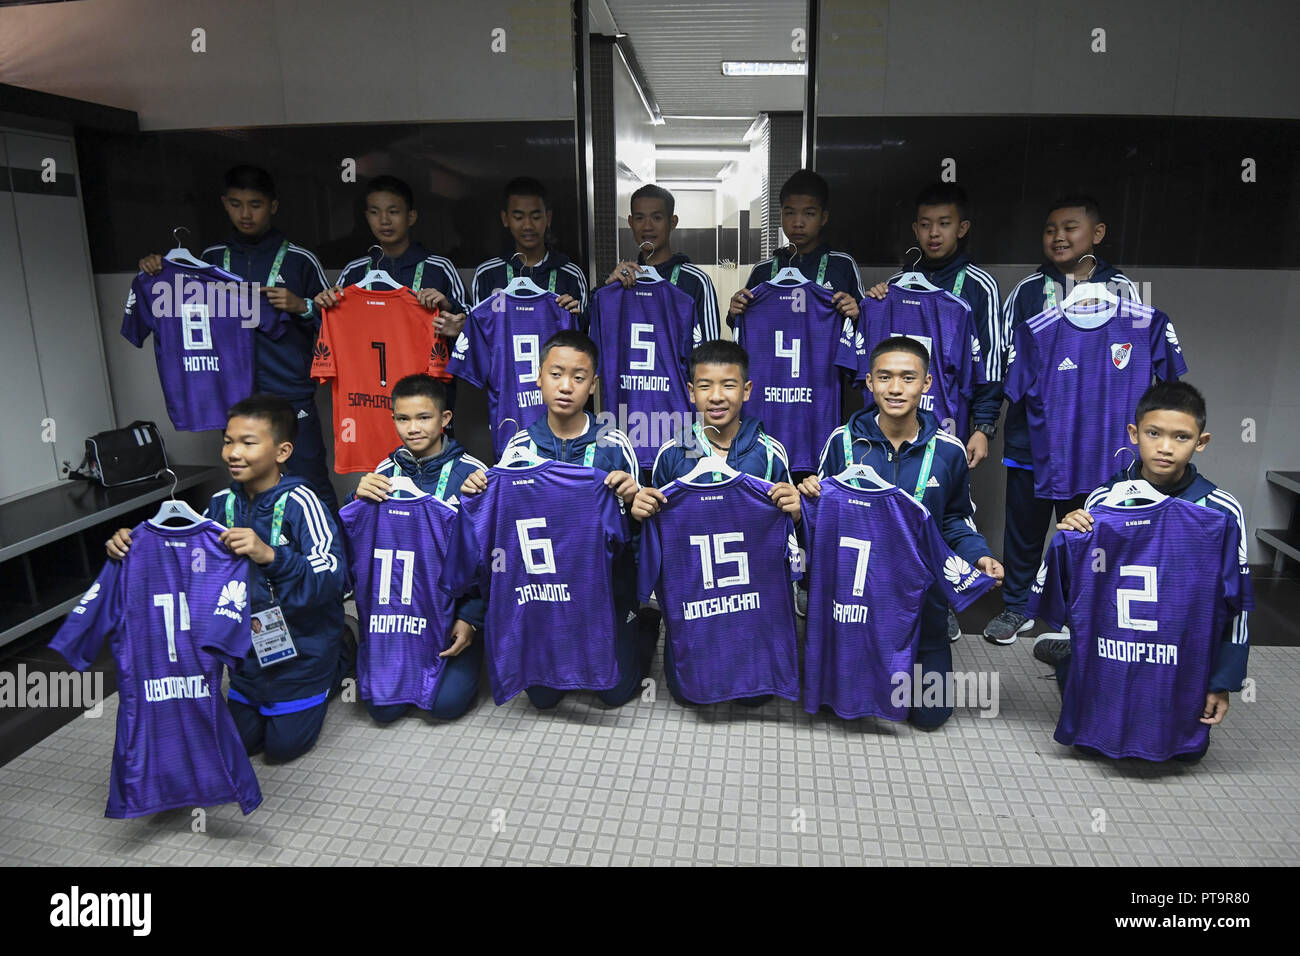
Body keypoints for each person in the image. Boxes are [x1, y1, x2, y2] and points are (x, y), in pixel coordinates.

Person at [106, 394, 349, 761]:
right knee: (235, 743)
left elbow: (334, 577)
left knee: (282, 749)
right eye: (228, 441)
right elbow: (183, 560)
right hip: (247, 652)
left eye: (248, 442)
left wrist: (270, 555)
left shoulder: (303, 501)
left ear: (282, 451)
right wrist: (132, 548)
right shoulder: (221, 504)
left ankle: (343, 653)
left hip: (305, 649)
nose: (234, 452)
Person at [799, 336, 1004, 729]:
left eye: (908, 378)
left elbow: (955, 520)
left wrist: (979, 554)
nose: (895, 388)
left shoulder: (948, 451)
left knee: (929, 714)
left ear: (926, 383)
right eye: (885, 377)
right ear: (870, 382)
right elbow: (823, 518)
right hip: (855, 596)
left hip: (919, 596)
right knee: (837, 703)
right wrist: (810, 495)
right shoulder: (841, 442)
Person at [1038, 381, 1250, 761]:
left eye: (1181, 436)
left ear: (1201, 442)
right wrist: (1069, 536)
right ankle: (1068, 654)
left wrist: (1222, 682)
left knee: (1183, 752)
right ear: (1134, 434)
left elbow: (1238, 604)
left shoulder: (1219, 511)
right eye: (1154, 433)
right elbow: (1083, 588)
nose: (1166, 447)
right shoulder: (1103, 500)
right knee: (1092, 741)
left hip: (1179, 645)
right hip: (1114, 640)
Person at [980, 194, 1143, 645]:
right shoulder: (1026, 293)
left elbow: (1140, 372)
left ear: (1098, 233)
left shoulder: (1125, 291)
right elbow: (999, 365)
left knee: (1087, 533)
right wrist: (986, 424)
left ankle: (1081, 615)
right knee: (1024, 531)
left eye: (1070, 227)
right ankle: (1016, 608)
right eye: (1050, 229)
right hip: (1032, 441)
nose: (1058, 237)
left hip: (1098, 445)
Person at [459, 330, 650, 709]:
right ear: (538, 378)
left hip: (604, 589)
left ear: (593, 385)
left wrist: (633, 500)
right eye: (556, 374)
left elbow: (636, 534)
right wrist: (476, 492)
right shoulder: (518, 448)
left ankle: (643, 625)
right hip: (543, 588)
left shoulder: (614, 444)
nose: (566, 386)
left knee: (615, 692)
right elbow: (502, 531)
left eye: (579, 378)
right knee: (543, 695)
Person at [137, 166, 336, 511]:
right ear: (224, 204)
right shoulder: (210, 260)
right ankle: (264, 561)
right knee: (250, 484)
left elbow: (336, 325)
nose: (246, 214)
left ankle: (331, 563)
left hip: (289, 390)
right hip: (233, 393)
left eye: (255, 204)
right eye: (236, 203)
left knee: (309, 482)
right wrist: (158, 267)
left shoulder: (299, 260)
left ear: (273, 206)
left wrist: (301, 306)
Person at [633, 339, 802, 705]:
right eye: (705, 386)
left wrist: (797, 510)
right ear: (691, 392)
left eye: (728, 385)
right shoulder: (672, 452)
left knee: (756, 698)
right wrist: (643, 507)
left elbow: (790, 535)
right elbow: (657, 528)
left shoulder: (769, 453)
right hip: (696, 592)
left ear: (747, 389)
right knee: (688, 694)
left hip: (752, 591)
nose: (717, 396)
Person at [347, 373, 486, 722]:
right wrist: (355, 496)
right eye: (403, 418)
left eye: (424, 417)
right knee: (382, 709)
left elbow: (496, 558)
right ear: (392, 419)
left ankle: (477, 640)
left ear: (445, 419)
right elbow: (362, 544)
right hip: (402, 611)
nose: (413, 428)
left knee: (444, 706)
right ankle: (347, 642)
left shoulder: (473, 473)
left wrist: (470, 617)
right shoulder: (382, 473)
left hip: (453, 608)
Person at [315, 175, 467, 417]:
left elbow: (470, 324)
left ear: (411, 217)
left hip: (428, 396)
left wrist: (449, 308)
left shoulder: (438, 268)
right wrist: (321, 307)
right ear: (366, 217)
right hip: (369, 395)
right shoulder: (355, 272)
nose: (384, 220)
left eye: (393, 211)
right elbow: (333, 332)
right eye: (375, 212)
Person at [726, 168, 864, 331]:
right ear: (781, 215)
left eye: (809, 213)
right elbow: (742, 327)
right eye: (790, 213)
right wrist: (734, 313)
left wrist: (857, 314)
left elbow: (866, 325)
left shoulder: (843, 265)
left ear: (823, 218)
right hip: (774, 355)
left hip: (826, 355)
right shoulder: (763, 270)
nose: (798, 222)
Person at [604, 184, 721, 344]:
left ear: (672, 222)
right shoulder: (622, 278)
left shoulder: (696, 282)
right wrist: (607, 286)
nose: (647, 226)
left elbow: (711, 355)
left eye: (657, 218)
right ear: (631, 222)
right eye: (640, 218)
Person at [470, 176, 587, 317]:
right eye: (519, 218)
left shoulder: (571, 275)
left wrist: (577, 316)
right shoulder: (487, 274)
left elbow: (583, 333)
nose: (528, 226)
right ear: (505, 219)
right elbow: (478, 331)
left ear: (548, 218)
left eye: (536, 217)